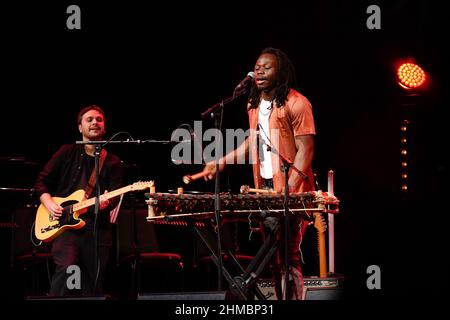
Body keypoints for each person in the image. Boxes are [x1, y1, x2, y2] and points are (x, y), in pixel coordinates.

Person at [202, 47, 316, 300]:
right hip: (263, 187)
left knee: (288, 256)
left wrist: (288, 187)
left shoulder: (297, 103)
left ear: (281, 72)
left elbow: (306, 151)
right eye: (257, 66)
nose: (260, 70)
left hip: (290, 190)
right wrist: (221, 161)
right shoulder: (253, 105)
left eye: (267, 66)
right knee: (274, 259)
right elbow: (253, 144)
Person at [34, 105, 123, 297]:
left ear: (104, 127)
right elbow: (41, 182)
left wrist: (108, 202)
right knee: (67, 269)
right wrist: (50, 204)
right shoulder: (66, 152)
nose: (94, 123)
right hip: (65, 225)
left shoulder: (113, 161)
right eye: (89, 119)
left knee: (94, 282)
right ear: (80, 127)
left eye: (99, 120)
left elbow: (114, 194)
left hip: (96, 227)